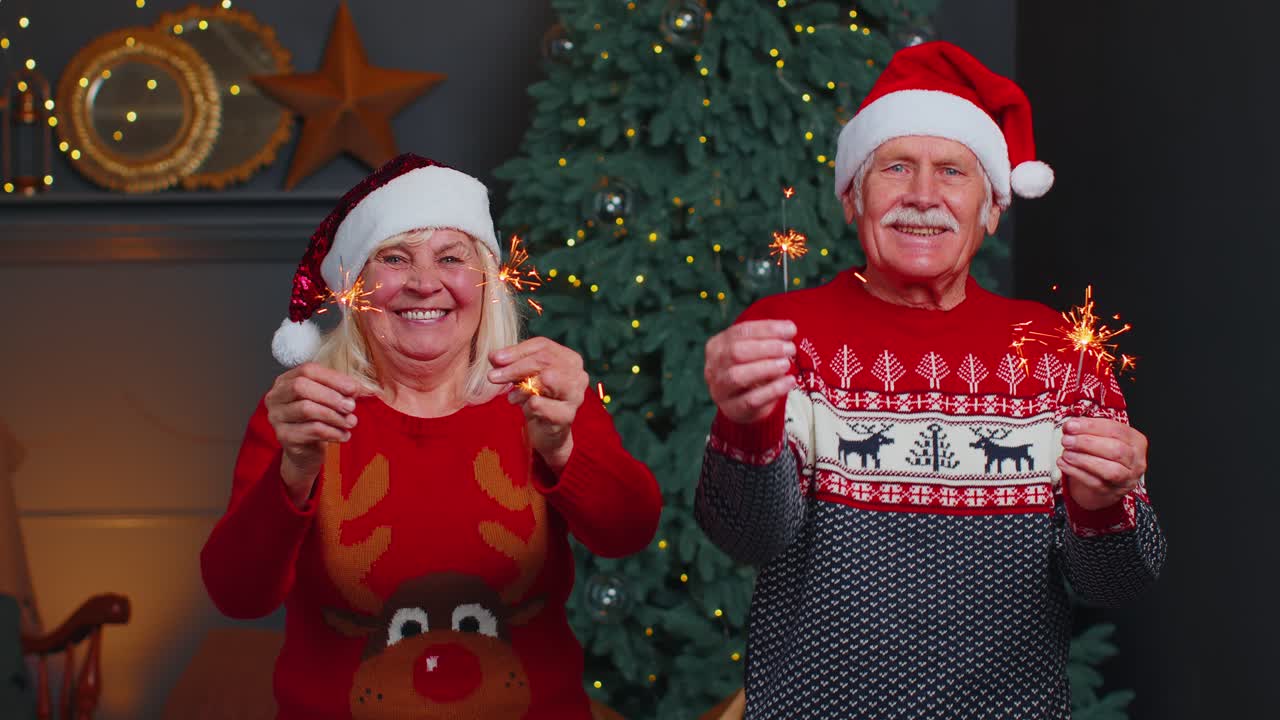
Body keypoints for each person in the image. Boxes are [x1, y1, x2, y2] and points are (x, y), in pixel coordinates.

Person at [695, 42, 1166, 718]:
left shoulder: (1058, 352)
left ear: (992, 206)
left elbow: (1117, 583)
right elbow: (747, 537)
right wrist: (746, 427)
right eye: (895, 167)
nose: (922, 196)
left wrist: (1102, 506)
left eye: (951, 171)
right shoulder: (782, 335)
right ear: (853, 197)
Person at [201, 154, 662, 720]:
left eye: (451, 258)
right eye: (394, 259)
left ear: (486, 281)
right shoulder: (309, 409)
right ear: (357, 285)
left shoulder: (543, 394)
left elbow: (629, 532)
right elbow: (238, 596)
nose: (424, 284)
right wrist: (294, 472)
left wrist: (563, 449)